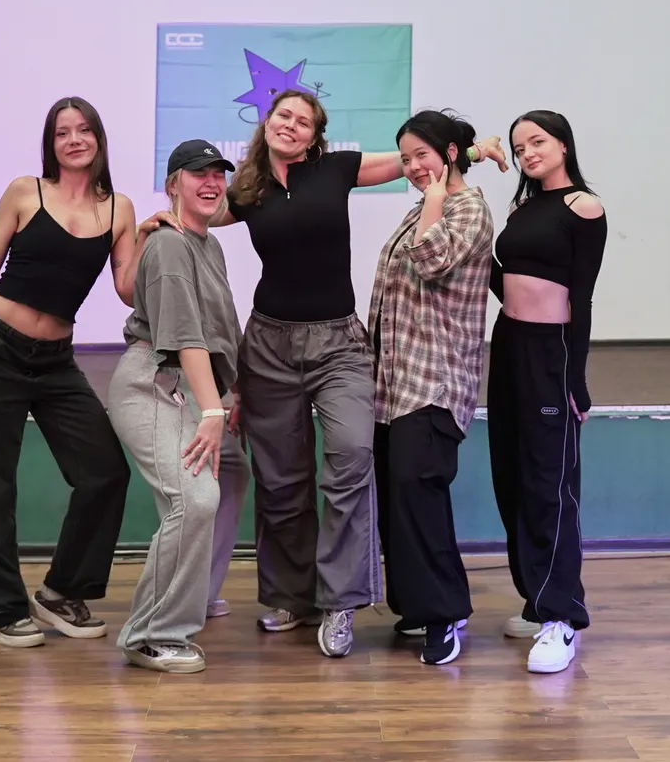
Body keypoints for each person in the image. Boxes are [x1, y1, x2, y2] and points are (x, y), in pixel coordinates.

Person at [172, 89, 506, 659]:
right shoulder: (247, 189)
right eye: (284, 116)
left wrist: (473, 150)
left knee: (352, 456)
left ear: (315, 135)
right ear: (267, 122)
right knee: (280, 481)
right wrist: (166, 219)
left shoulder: (336, 169)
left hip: (339, 344)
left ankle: (341, 602)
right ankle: (292, 598)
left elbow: (414, 162)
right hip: (268, 345)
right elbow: (200, 216)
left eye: (304, 121)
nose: (292, 126)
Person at [0, 96, 136, 649]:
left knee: (104, 471)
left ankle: (62, 591)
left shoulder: (119, 209)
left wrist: (161, 235)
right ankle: (1, 609)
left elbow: (127, 288)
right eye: (62, 132)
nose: (74, 140)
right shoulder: (26, 192)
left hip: (54, 362)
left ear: (99, 138)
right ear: (51, 144)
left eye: (83, 130)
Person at [107, 139, 249, 674]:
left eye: (218, 174)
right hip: (155, 380)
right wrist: (213, 412)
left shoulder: (207, 245)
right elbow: (186, 336)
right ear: (173, 185)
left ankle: (195, 593)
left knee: (230, 472)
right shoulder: (169, 244)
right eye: (198, 174)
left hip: (193, 384)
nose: (211, 182)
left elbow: (221, 329)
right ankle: (151, 633)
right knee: (195, 497)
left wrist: (231, 394)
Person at [368, 110, 494, 666]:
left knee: (419, 495)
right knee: (398, 498)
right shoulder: (426, 206)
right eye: (406, 158)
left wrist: (438, 196)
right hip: (395, 384)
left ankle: (445, 614)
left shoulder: (467, 208)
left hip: (436, 381)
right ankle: (420, 606)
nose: (413, 166)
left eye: (422, 154)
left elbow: (432, 260)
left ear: (449, 154)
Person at [487, 109, 607, 674]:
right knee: (510, 476)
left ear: (562, 144)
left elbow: (582, 297)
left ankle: (562, 617)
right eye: (519, 147)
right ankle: (535, 600)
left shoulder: (584, 207)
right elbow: (504, 280)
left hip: (550, 352)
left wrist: (575, 376)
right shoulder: (520, 208)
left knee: (549, 482)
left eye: (537, 142)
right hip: (508, 344)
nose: (528, 153)